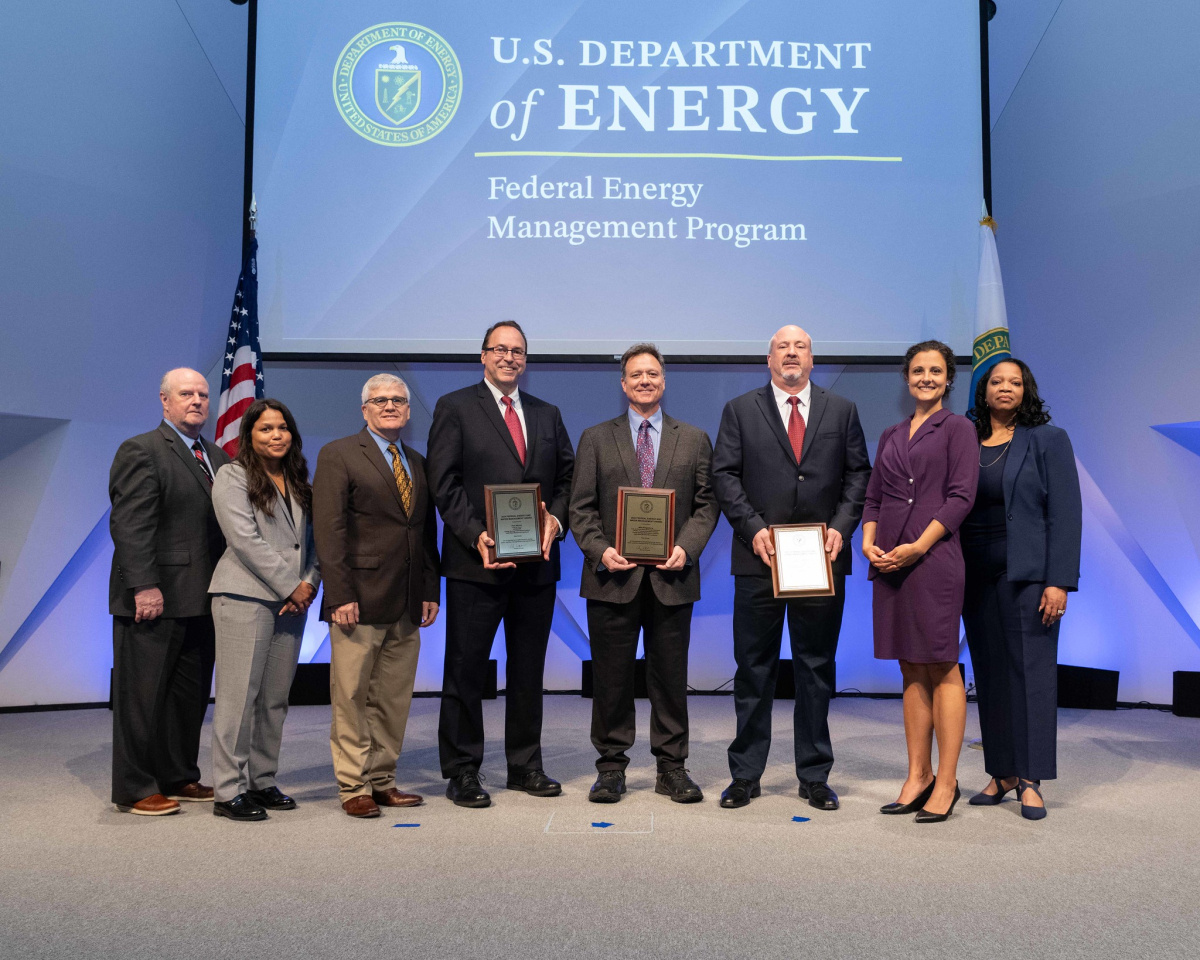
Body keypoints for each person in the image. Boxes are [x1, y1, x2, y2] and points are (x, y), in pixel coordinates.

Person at [711, 326, 871, 811]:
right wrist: (753, 528)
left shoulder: (841, 410)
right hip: (760, 559)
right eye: (783, 346)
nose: (791, 353)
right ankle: (745, 775)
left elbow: (858, 474)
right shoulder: (740, 410)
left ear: (812, 357)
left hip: (821, 562)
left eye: (799, 346)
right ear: (769, 358)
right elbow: (724, 475)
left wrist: (842, 527)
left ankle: (815, 774)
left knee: (816, 669)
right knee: (753, 669)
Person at [426, 321, 574, 807]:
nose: (509, 358)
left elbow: (569, 479)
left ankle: (525, 766)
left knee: (529, 669)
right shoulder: (455, 407)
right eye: (500, 350)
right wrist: (477, 535)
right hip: (478, 565)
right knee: (466, 668)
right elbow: (443, 483)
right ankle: (463, 770)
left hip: (537, 566)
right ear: (483, 356)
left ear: (525, 361)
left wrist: (555, 520)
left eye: (518, 352)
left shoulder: (547, 414)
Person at [569, 344, 719, 803]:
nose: (644, 381)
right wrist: (601, 549)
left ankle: (672, 767)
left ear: (664, 380)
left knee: (670, 679)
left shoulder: (693, 438)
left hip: (671, 578)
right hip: (612, 577)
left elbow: (707, 504)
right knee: (611, 679)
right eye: (636, 375)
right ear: (623, 384)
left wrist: (685, 548)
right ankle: (611, 767)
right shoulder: (595, 437)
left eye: (652, 373)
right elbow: (581, 507)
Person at [312, 374, 440, 819]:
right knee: (350, 695)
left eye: (398, 401)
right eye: (380, 400)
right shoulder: (338, 454)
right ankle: (353, 786)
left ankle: (384, 779)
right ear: (364, 409)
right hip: (358, 600)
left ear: (408, 410)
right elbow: (329, 531)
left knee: (392, 698)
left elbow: (423, 533)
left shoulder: (418, 462)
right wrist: (338, 594)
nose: (390, 406)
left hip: (407, 601)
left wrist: (429, 588)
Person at [862, 340, 978, 823]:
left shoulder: (959, 429)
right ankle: (918, 774)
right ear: (906, 378)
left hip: (934, 560)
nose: (926, 378)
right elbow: (873, 499)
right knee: (910, 667)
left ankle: (946, 781)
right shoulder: (890, 432)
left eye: (935, 371)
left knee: (942, 665)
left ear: (948, 378)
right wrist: (869, 543)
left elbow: (960, 498)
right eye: (917, 371)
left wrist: (918, 546)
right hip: (889, 560)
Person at [962, 359, 1081, 820]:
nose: (1005, 388)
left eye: (1015, 382)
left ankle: (1031, 778)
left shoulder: (1048, 440)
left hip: (1028, 574)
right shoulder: (967, 442)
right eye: (997, 382)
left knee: (1031, 674)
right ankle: (1002, 771)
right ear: (984, 391)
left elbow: (1065, 515)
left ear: (1026, 390)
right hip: (975, 574)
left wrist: (1058, 581)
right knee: (989, 674)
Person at [108, 368, 230, 815]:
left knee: (187, 698)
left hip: (202, 598)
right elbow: (130, 524)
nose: (197, 401)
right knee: (141, 699)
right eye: (186, 394)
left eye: (202, 394)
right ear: (164, 400)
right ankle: (136, 787)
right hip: (153, 598)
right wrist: (144, 586)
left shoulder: (216, 455)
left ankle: (178, 775)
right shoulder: (142, 449)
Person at [208, 399, 320, 822]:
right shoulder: (231, 476)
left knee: (274, 699)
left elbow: (311, 543)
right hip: (244, 598)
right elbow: (244, 540)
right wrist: (292, 585)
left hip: (293, 604)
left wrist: (309, 582)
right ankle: (228, 790)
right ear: (249, 436)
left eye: (282, 428)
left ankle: (262, 781)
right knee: (239, 699)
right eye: (266, 429)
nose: (276, 435)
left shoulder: (299, 481)